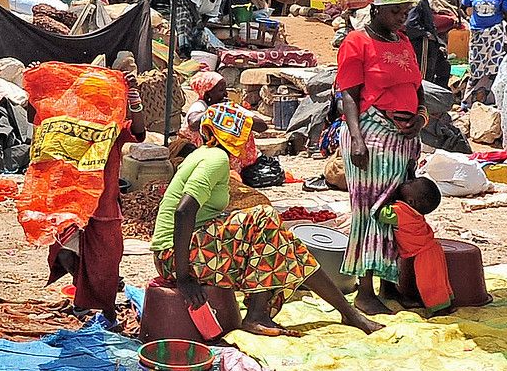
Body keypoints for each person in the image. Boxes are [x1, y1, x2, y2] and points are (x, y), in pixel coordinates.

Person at [153, 104, 380, 337]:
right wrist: (183, 279)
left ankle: (347, 312)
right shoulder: (216, 158)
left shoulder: (206, 154)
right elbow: (183, 211)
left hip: (188, 247)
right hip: (173, 255)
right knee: (265, 218)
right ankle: (257, 314)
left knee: (288, 246)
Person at [337, 0, 426, 315]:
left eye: (406, 11)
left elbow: (417, 89)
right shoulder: (356, 42)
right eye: (396, 12)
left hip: (404, 138)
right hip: (372, 137)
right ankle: (364, 292)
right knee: (372, 212)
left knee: (398, 212)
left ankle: (390, 286)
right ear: (376, 10)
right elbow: (348, 95)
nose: (403, 17)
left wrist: (420, 119)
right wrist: (357, 139)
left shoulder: (403, 42)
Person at [47, 55, 146, 326]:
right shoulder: (70, 124)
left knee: (106, 262)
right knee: (64, 251)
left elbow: (139, 129)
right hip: (73, 204)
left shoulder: (112, 127)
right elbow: (41, 117)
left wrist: (133, 96)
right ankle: (84, 299)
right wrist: (41, 79)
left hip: (104, 208)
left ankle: (105, 309)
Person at [379, 177, 456, 315]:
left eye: (409, 183)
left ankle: (440, 310)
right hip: (432, 249)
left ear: (411, 201)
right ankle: (447, 304)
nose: (407, 181)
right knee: (439, 281)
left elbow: (381, 214)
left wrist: (385, 195)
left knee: (429, 284)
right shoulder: (414, 211)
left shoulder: (401, 212)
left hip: (423, 254)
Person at [461, 0, 507, 107]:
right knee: (476, 66)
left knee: (494, 66)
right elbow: (463, 7)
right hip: (478, 34)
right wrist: (468, 19)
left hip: (495, 34)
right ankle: (469, 101)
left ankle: (490, 100)